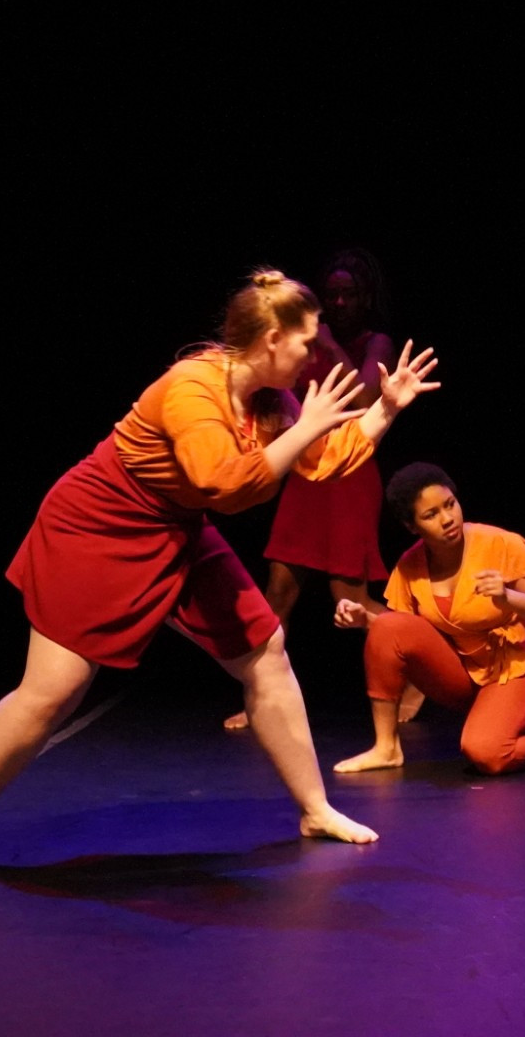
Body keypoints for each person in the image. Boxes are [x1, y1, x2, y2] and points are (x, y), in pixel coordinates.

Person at [0, 268, 440, 875]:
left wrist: (387, 408)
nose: (314, 354)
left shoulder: (272, 399)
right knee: (51, 692)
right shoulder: (193, 389)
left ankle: (315, 809)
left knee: (266, 650)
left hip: (176, 526)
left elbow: (325, 458)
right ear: (272, 339)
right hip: (98, 528)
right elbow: (224, 485)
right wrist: (303, 428)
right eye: (307, 342)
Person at [223, 249, 414, 732]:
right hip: (307, 473)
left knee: (349, 596)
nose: (340, 302)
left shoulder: (375, 342)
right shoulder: (303, 343)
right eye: (332, 294)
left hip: (351, 471)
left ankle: (420, 664)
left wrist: (328, 346)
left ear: (364, 297)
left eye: (349, 294)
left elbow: (364, 397)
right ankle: (259, 698)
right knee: (278, 592)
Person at [330, 462, 525, 776]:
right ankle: (387, 748)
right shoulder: (410, 566)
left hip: (520, 669)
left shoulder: (501, 543)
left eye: (450, 504)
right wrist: (366, 620)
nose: (447, 519)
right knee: (386, 625)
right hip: (465, 675)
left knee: (485, 753)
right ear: (412, 526)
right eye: (431, 515)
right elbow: (403, 635)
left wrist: (508, 597)